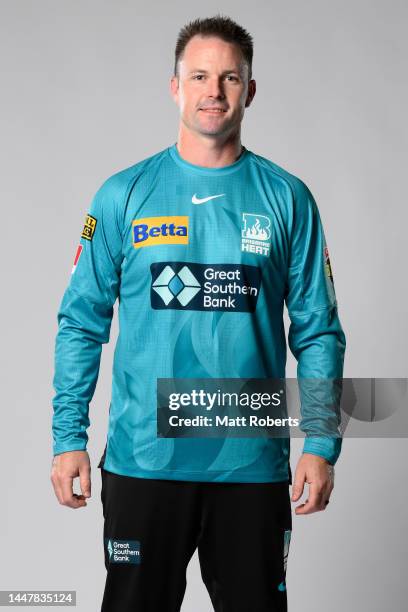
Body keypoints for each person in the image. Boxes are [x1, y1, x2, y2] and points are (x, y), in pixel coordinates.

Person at [50, 14, 346, 612]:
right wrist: (67, 435)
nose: (214, 91)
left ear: (250, 90)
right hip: (143, 464)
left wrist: (320, 441)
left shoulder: (288, 198)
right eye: (201, 76)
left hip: (252, 468)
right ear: (175, 86)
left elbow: (318, 332)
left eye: (231, 78)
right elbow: (81, 322)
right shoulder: (122, 194)